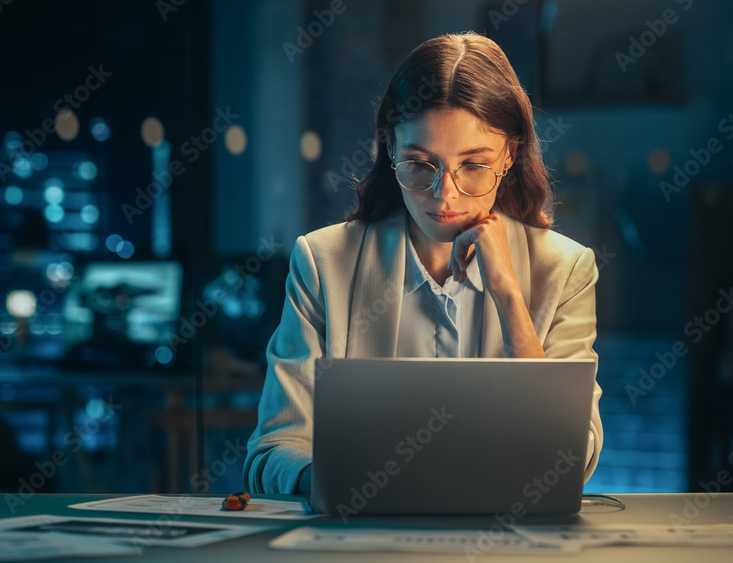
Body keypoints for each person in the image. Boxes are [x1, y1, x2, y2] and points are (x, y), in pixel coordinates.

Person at [243, 31, 603, 497]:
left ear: (510, 154)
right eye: (420, 163)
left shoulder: (566, 269)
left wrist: (509, 297)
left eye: (473, 164)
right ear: (391, 146)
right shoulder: (323, 263)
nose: (445, 195)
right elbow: (272, 452)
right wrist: (343, 485)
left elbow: (571, 457)